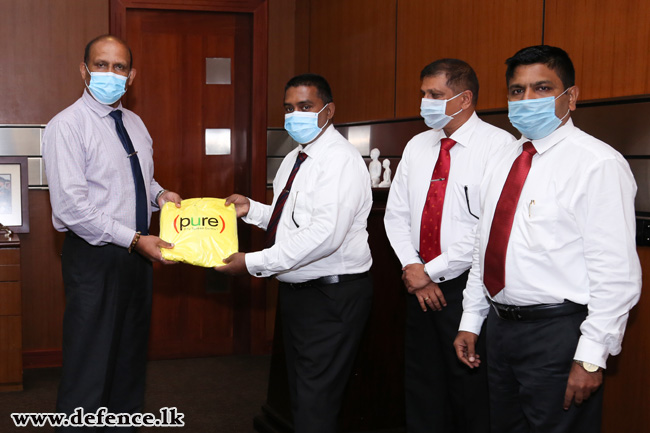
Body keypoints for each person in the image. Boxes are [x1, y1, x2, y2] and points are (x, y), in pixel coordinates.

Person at [453, 45, 641, 433]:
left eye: (541, 88)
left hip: (559, 335)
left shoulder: (597, 164)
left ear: (570, 97)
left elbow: (615, 273)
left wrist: (591, 357)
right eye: (517, 91)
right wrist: (472, 319)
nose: (527, 100)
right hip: (501, 330)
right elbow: (484, 247)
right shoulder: (505, 158)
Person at [215, 73, 373, 433]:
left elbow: (324, 236)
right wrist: (251, 209)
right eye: (289, 108)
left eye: (305, 107)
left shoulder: (340, 161)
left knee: (316, 398)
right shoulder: (295, 158)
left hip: (332, 295)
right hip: (299, 294)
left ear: (328, 111)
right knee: (303, 393)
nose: (294, 115)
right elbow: (291, 220)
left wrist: (252, 264)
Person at [42, 34, 182, 431]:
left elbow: (140, 181)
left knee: (129, 358)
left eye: (119, 67)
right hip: (95, 257)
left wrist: (162, 196)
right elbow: (72, 208)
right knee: (90, 363)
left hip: (138, 257)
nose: (110, 74)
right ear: (83, 71)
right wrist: (136, 240)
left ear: (131, 75)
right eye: (100, 65)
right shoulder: (66, 126)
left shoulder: (135, 124)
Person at [384, 59, 514, 433]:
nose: (425, 102)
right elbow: (396, 215)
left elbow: (488, 229)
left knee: (469, 390)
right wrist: (412, 267)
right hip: (416, 284)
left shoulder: (499, 146)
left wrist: (430, 272)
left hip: (467, 288)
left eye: (435, 95)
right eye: (423, 94)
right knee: (423, 387)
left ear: (464, 98)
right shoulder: (417, 145)